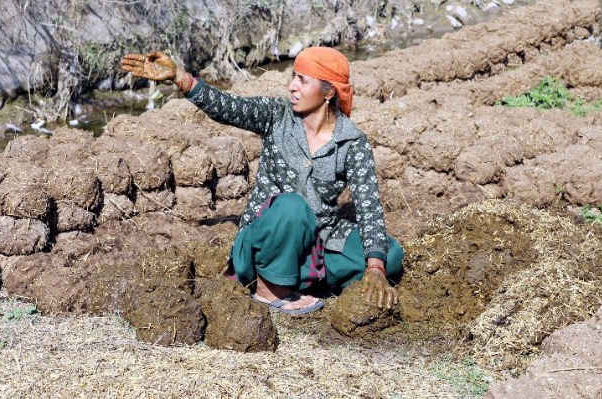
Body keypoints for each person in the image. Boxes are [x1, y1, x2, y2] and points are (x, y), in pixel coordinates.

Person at [120, 48, 404, 315]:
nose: (292, 85)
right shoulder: (277, 115)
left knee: (389, 254)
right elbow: (228, 107)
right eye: (292, 76)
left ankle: (299, 277)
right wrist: (179, 77)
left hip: (317, 236)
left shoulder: (352, 142)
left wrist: (375, 268)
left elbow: (369, 207)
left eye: (302, 80)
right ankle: (269, 289)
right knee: (292, 206)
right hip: (266, 235)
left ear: (328, 92)